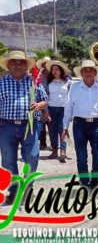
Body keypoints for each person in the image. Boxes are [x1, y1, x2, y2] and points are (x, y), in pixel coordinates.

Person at [0, 51, 49, 205]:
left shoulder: (34, 82)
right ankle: (14, 192)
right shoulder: (1, 82)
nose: (18, 65)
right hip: (6, 126)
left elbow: (45, 101)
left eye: (21, 62)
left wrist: (39, 105)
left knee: (32, 158)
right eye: (14, 62)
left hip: (30, 126)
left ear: (26, 66)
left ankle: (27, 189)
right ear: (8, 65)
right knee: (8, 162)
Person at [62, 60, 98, 189]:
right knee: (81, 156)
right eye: (85, 70)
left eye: (91, 70)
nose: (88, 72)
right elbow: (68, 107)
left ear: (95, 72)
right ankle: (84, 181)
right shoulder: (75, 88)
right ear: (81, 73)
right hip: (79, 124)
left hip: (97, 124)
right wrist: (65, 127)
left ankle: (95, 177)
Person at [45, 60, 72, 163]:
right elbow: (45, 96)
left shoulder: (68, 82)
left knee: (63, 129)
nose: (54, 71)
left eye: (56, 69)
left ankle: (63, 151)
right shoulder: (48, 82)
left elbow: (71, 97)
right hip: (51, 108)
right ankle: (54, 150)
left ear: (61, 70)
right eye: (53, 70)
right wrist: (46, 110)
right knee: (52, 130)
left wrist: (71, 112)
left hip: (64, 109)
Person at [36, 56, 51, 150]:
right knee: (41, 125)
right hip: (40, 103)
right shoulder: (38, 77)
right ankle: (42, 143)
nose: (45, 66)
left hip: (52, 104)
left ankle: (55, 145)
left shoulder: (53, 77)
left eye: (47, 64)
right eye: (43, 65)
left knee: (52, 126)